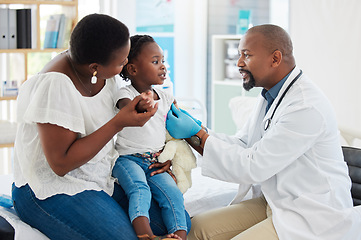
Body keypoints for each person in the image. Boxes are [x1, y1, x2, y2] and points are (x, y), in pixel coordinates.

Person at [166, 24, 361, 240]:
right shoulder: (271, 95)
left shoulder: (306, 107)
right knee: (197, 228)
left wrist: (196, 135)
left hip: (311, 213)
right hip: (276, 201)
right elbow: (244, 143)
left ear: (275, 58)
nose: (239, 63)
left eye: (246, 55)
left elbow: (254, 166)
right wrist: (199, 130)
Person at [11, 14, 184, 240]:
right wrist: (118, 122)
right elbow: (60, 164)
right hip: (50, 188)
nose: (124, 67)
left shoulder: (101, 70)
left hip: (99, 175)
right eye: (122, 63)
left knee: (172, 222)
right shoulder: (55, 85)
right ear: (95, 66)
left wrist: (157, 154)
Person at [113, 34, 189, 240]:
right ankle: (146, 235)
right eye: (155, 62)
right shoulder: (125, 93)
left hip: (155, 160)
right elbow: (127, 109)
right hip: (127, 159)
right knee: (139, 190)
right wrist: (141, 104)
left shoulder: (165, 97)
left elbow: (176, 127)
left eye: (163, 61)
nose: (163, 67)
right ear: (133, 69)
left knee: (173, 195)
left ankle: (179, 235)